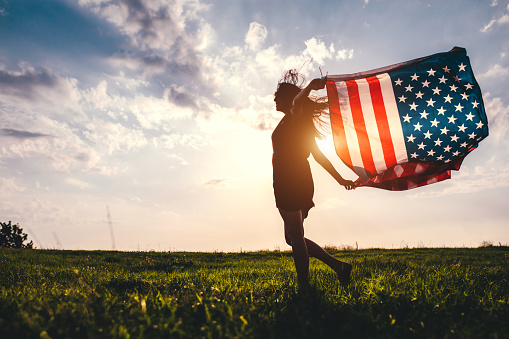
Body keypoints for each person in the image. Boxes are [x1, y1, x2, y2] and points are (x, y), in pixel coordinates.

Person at [272, 69, 356, 287]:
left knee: (296, 237)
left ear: (291, 101)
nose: (274, 98)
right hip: (293, 178)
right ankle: (339, 266)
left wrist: (309, 86)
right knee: (292, 238)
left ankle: (304, 287)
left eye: (277, 95)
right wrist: (340, 179)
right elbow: (318, 156)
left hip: (291, 179)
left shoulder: (294, 116)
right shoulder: (296, 123)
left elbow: (297, 102)